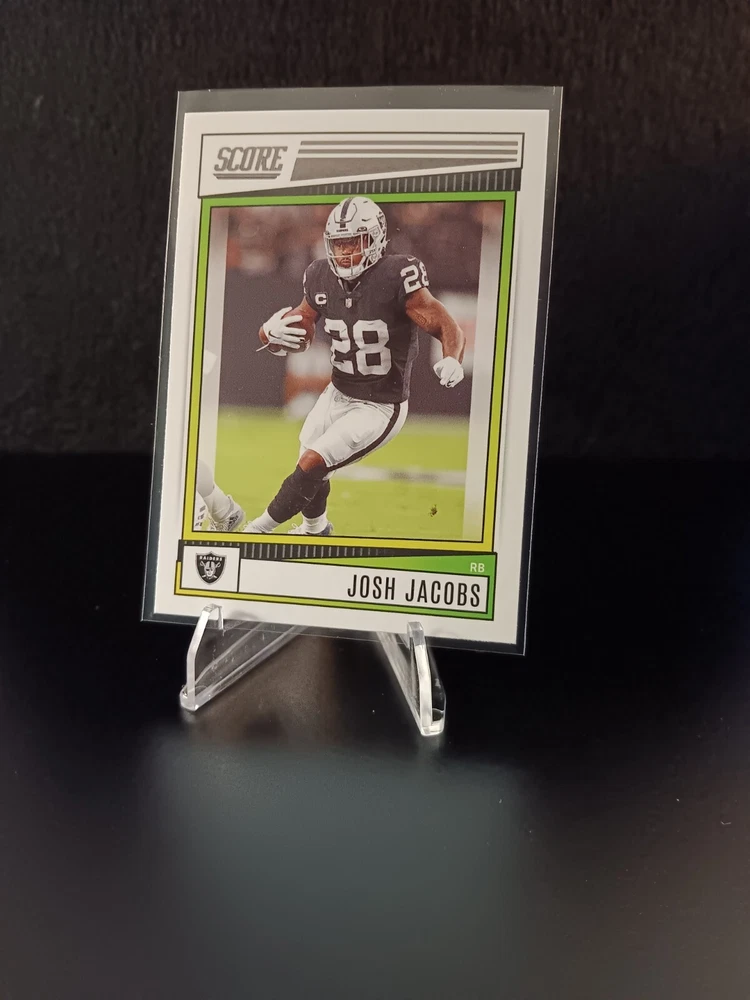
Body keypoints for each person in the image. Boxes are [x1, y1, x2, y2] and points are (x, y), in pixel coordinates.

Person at [244, 196, 465, 536]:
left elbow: (443, 323)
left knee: (314, 462)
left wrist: (452, 356)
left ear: (376, 239)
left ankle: (258, 530)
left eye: (354, 242)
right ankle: (316, 528)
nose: (345, 252)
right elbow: (302, 327)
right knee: (309, 461)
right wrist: (272, 333)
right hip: (338, 392)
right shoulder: (319, 275)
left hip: (380, 405)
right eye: (339, 243)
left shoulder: (397, 275)